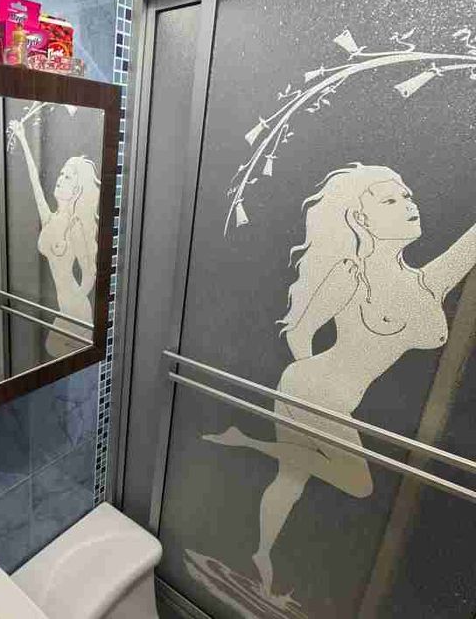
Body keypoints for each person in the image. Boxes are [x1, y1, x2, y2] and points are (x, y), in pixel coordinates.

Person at [204, 163, 476, 594]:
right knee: (358, 483)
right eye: (391, 200)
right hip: (310, 388)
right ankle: (249, 445)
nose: (409, 204)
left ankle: (261, 554)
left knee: (291, 478)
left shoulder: (429, 282)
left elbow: (471, 244)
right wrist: (315, 393)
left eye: (407, 196)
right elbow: (299, 333)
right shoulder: (352, 274)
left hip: (334, 396)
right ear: (361, 219)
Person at [9, 119, 100, 357]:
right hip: (66, 308)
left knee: (59, 356)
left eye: (68, 177)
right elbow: (34, 182)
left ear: (77, 190)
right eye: (61, 173)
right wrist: (23, 138)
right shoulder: (50, 219)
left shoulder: (75, 227)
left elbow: (90, 274)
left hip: (76, 311)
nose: (60, 178)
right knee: (58, 358)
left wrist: (74, 302)